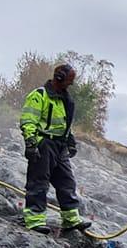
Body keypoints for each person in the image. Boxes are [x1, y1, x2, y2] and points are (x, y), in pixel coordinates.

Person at [19, 64, 90, 234]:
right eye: (68, 81)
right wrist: (31, 143)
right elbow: (28, 120)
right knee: (39, 181)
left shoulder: (65, 99)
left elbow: (64, 123)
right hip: (44, 142)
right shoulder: (39, 95)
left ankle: (70, 219)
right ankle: (34, 219)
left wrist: (70, 140)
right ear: (59, 78)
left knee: (67, 182)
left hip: (60, 145)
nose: (69, 85)